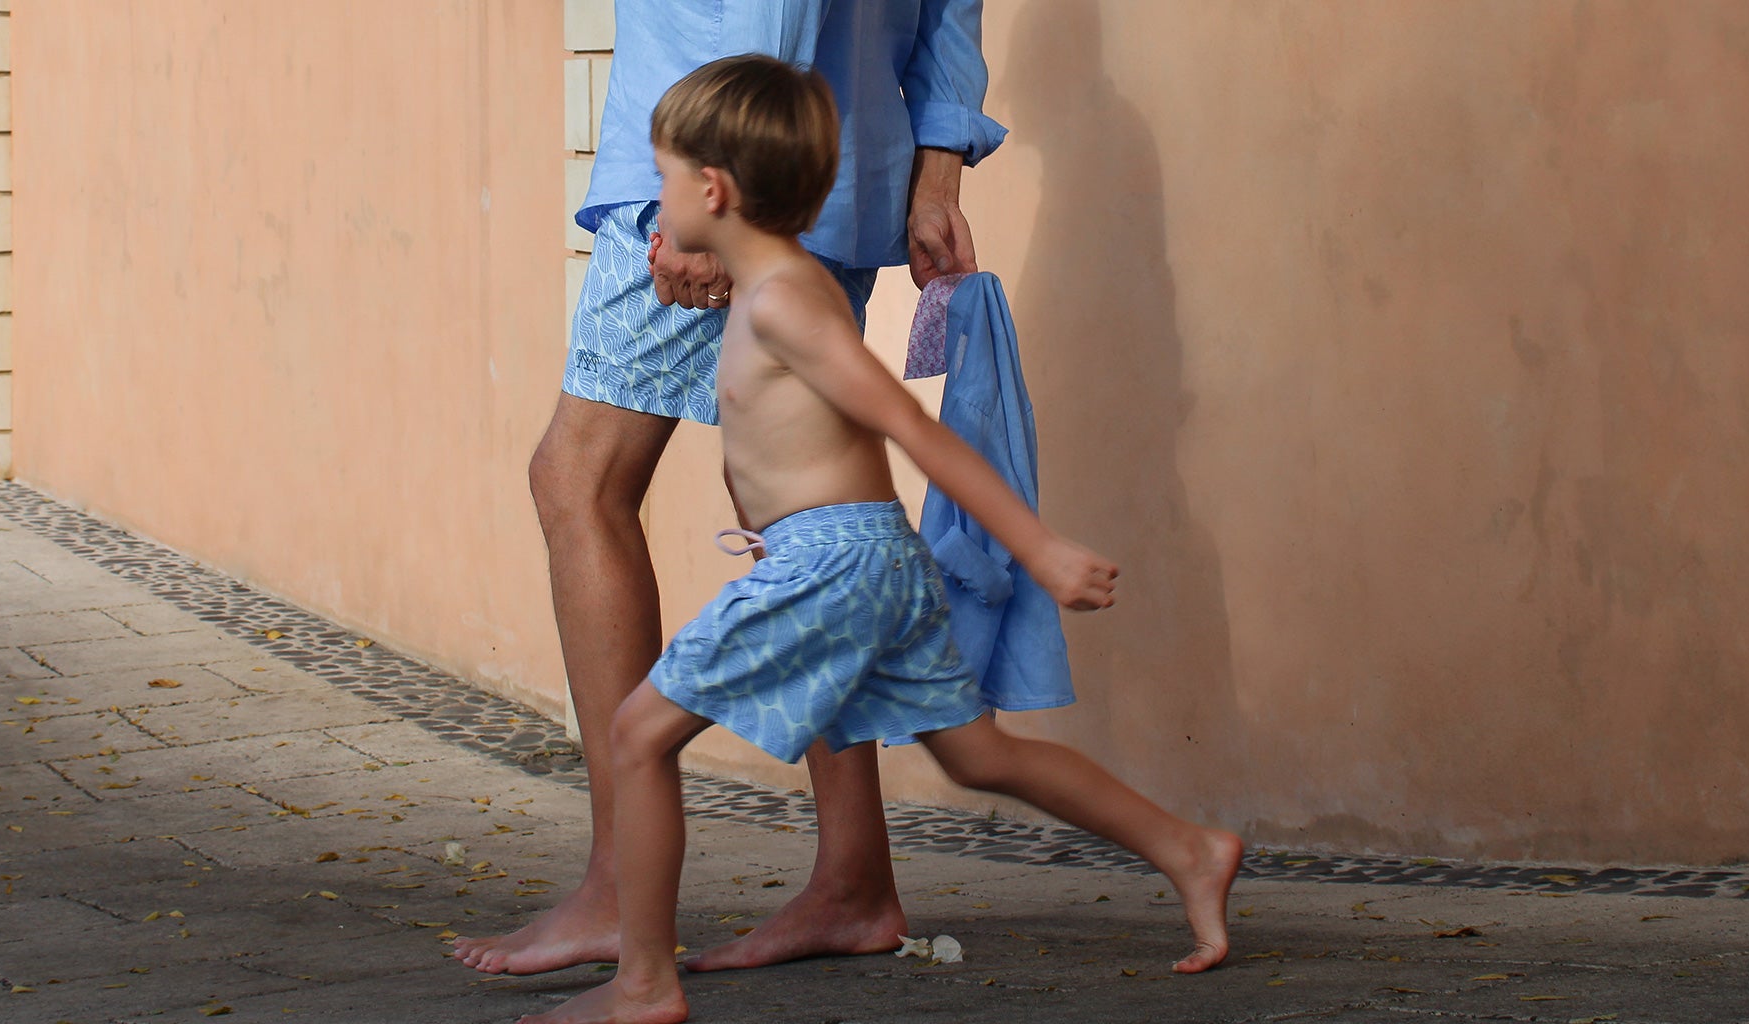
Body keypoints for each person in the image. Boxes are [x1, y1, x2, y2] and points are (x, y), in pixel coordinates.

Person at [517, 54, 1244, 1024]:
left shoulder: (782, 303)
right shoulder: (769, 281)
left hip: (833, 564)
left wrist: (1037, 547)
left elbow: (912, 426)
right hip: (869, 564)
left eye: (660, 179)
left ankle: (642, 981)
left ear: (714, 190)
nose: (653, 200)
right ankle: (1187, 848)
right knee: (978, 754)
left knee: (638, 734)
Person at [457, 0, 1008, 976]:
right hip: (834, 174)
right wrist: (933, 176)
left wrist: (724, 204)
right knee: (800, 510)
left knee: (578, 479)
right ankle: (852, 879)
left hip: (714, 180)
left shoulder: (718, 188)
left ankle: (621, 889)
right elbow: (946, 14)